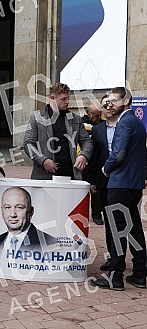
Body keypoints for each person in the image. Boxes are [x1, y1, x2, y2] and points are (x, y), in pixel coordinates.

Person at [91, 87, 147, 291]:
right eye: (107, 101)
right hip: (133, 185)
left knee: (117, 231)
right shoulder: (137, 123)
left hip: (120, 184)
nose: (109, 104)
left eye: (114, 100)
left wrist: (107, 167)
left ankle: (115, 276)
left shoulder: (125, 122)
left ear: (127, 101)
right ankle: (140, 273)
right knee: (133, 229)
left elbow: (119, 153)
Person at [23, 82, 92, 180]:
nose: (67, 101)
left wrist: (84, 155)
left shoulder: (75, 119)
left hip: (70, 172)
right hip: (44, 174)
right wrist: (43, 160)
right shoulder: (36, 118)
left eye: (68, 98)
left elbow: (86, 141)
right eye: (63, 99)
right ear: (52, 98)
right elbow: (28, 144)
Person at [88, 95, 119, 272]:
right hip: (104, 182)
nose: (107, 108)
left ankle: (139, 264)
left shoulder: (126, 125)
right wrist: (92, 180)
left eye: (111, 104)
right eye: (104, 105)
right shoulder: (98, 130)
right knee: (110, 223)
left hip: (124, 183)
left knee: (129, 223)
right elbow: (93, 158)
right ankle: (114, 258)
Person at [0, 187, 57, 273]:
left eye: (19, 207)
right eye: (7, 207)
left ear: (31, 211)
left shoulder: (49, 242)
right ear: (2, 211)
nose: (12, 214)